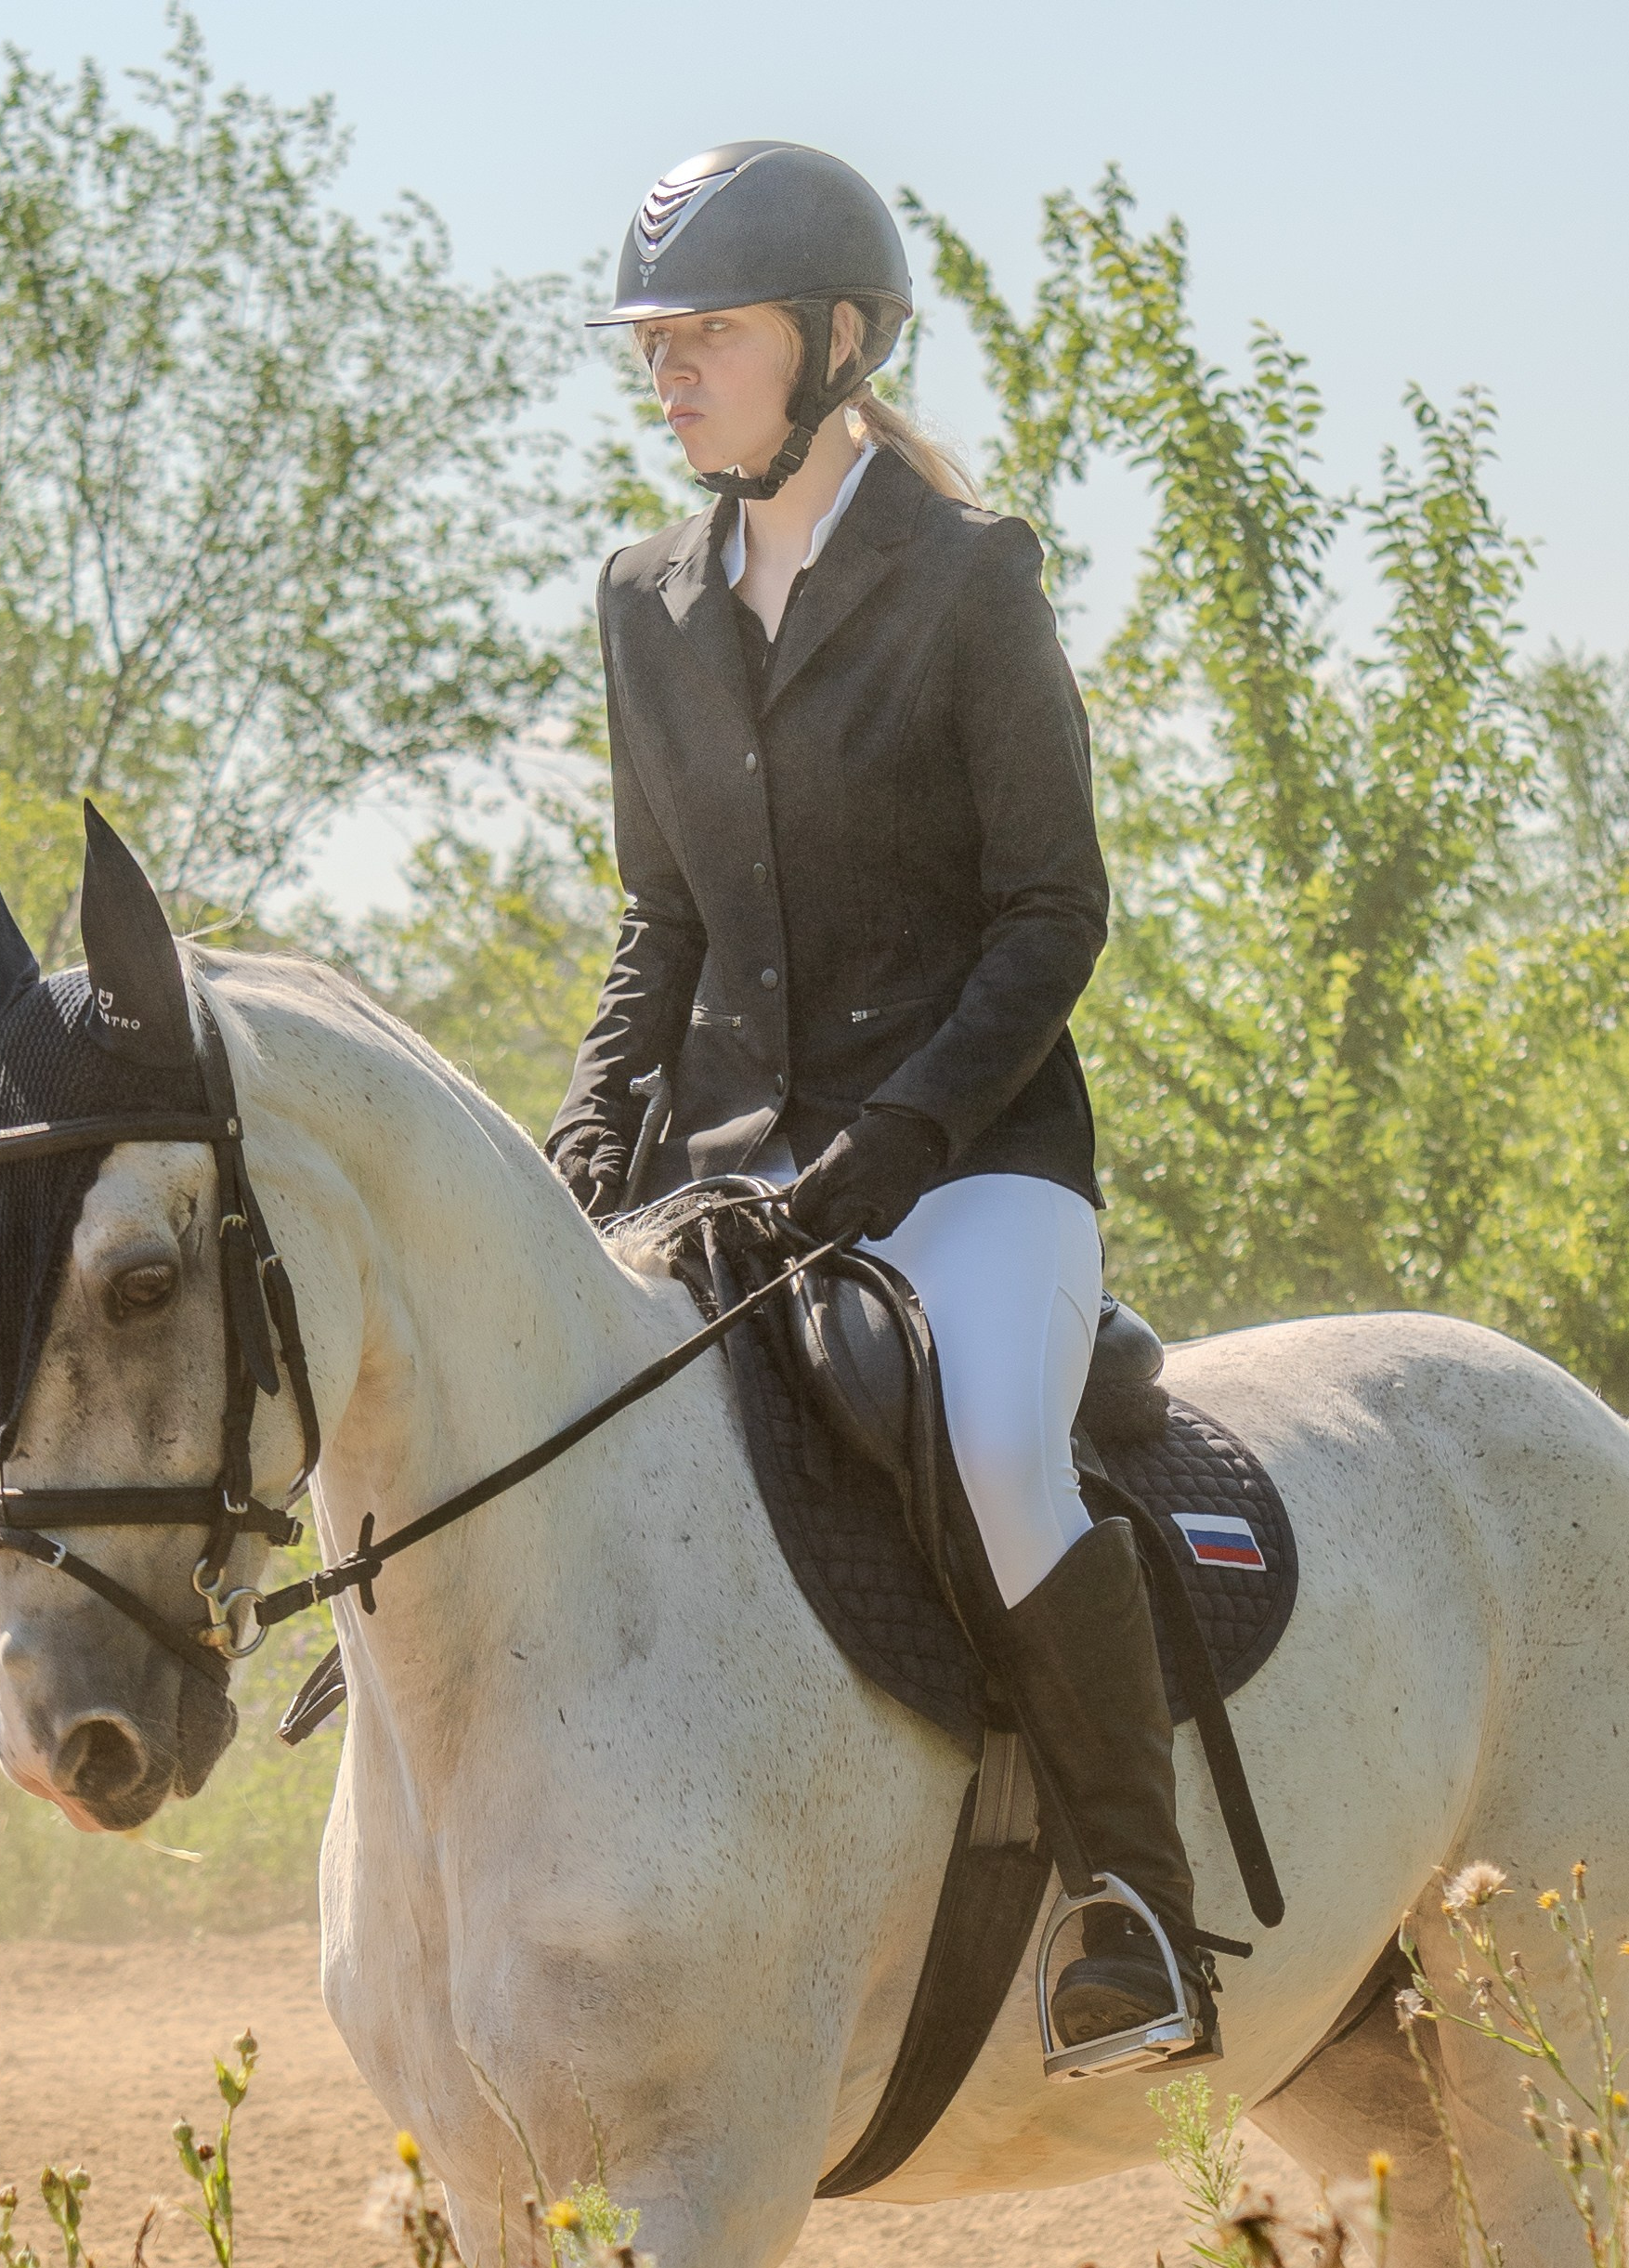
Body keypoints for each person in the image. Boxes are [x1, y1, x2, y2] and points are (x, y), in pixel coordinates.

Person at [544, 139, 1213, 2061]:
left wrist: (898, 1143)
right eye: (652, 343)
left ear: (833, 344)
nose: (665, 371)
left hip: (973, 1165)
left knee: (1001, 1447)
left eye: (707, 336)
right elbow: (657, 917)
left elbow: (1050, 913)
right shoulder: (644, 600)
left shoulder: (966, 578)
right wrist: (593, 1131)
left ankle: (1129, 1907)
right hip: (734, 1178)